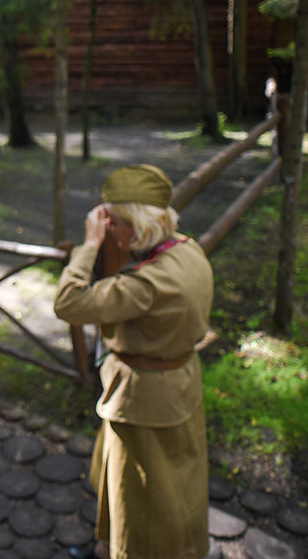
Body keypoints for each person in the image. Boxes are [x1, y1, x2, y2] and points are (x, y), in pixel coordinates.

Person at [55, 164, 213, 559]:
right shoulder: (188, 250)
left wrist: (89, 245)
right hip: (179, 388)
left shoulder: (146, 285)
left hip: (143, 403)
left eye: (117, 223)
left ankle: (126, 552)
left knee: (141, 496)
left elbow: (68, 303)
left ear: (141, 227)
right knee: (176, 483)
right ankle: (116, 546)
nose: (110, 231)